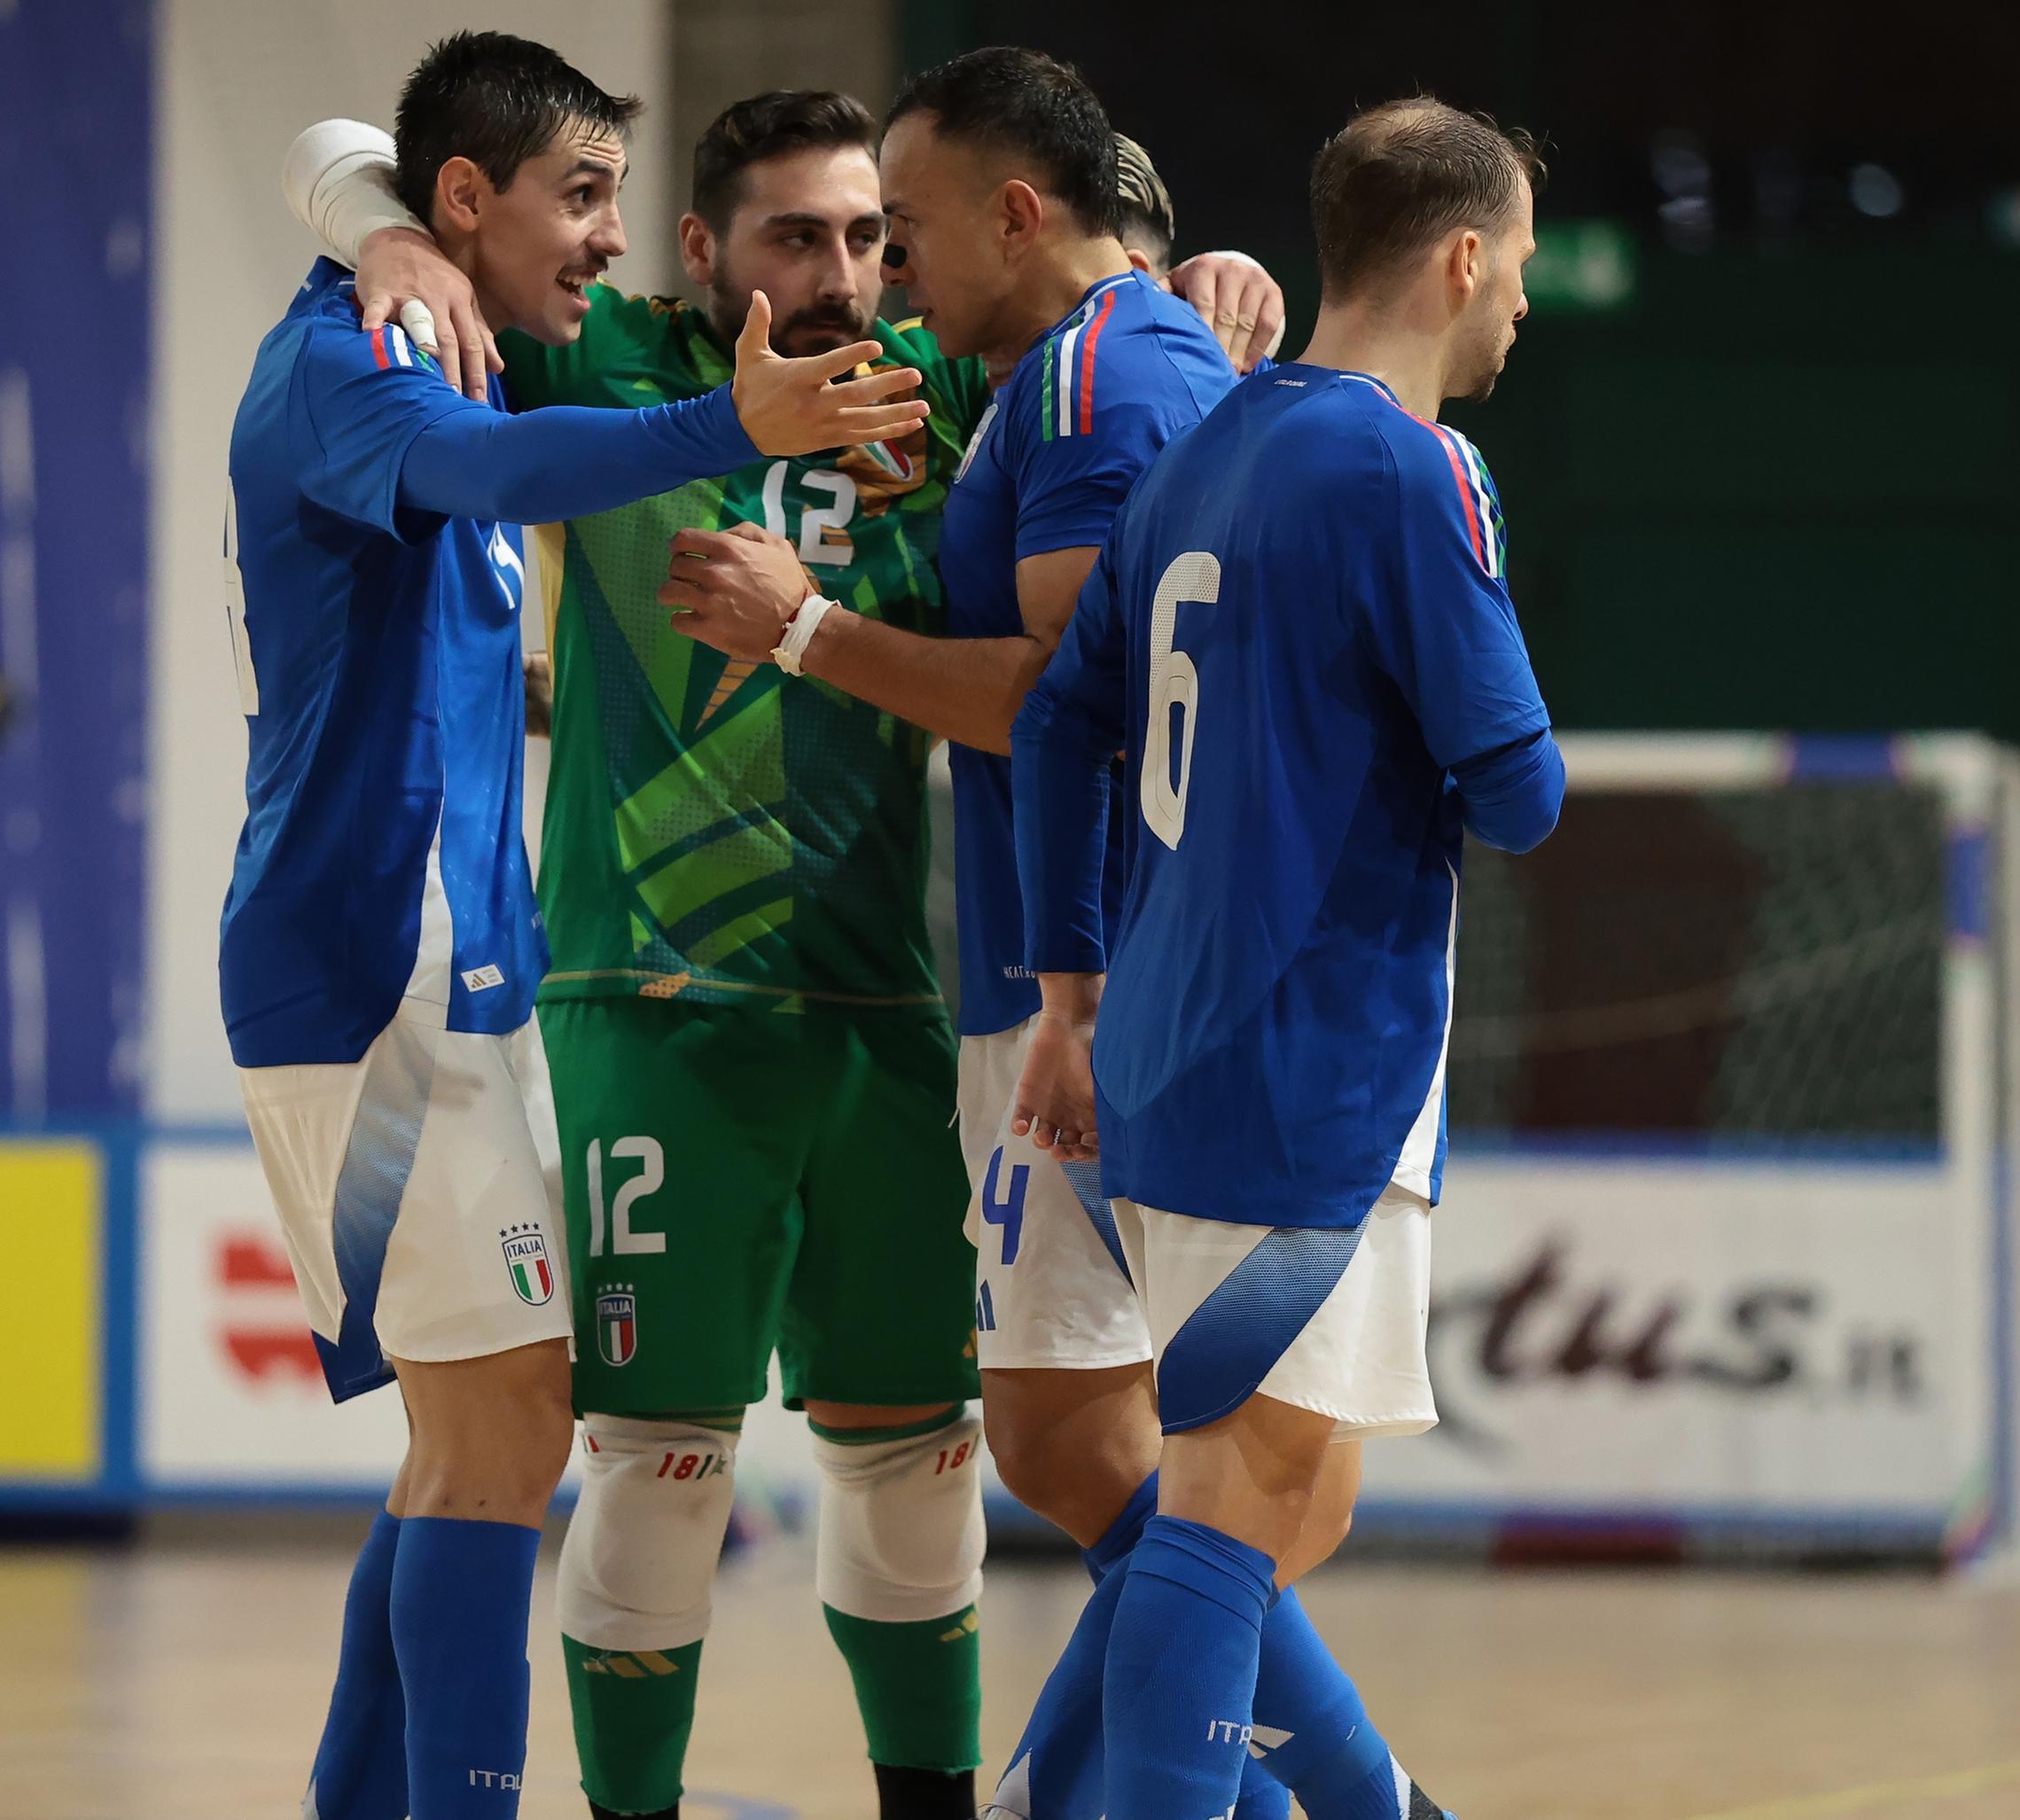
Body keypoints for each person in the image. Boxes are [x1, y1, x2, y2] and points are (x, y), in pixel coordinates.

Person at [274, 85, 1289, 1820]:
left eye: (871, 235)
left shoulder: (937, 389)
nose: (845, 271)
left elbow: (1088, 310)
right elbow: (347, 145)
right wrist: (375, 222)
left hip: (886, 1022)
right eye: (797, 236)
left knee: (923, 1473)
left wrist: (1215, 262)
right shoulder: (603, 362)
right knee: (656, 1479)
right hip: (653, 1015)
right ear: (697, 250)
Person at [658, 45, 1438, 1820]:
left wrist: (808, 636)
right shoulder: (1056, 368)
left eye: (910, 228)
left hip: (1113, 985)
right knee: (1085, 1447)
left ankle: (1301, 1800)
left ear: (1019, 212)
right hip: (1054, 973)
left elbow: (1074, 691)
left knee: (1214, 1482)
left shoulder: (1109, 369)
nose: (890, 275)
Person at [221, 34, 925, 1820]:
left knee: (473, 1436)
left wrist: (372, 212)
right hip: (368, 971)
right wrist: (728, 429)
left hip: (456, 976)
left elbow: (350, 151)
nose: (608, 239)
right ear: (466, 203)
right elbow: (513, 476)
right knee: (506, 1432)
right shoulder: (353, 356)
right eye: (586, 194)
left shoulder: (424, 320)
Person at [1003, 97, 1562, 1817]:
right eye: (1522, 266)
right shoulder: (1411, 464)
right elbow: (1520, 789)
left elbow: (1053, 733)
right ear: (1461, 255)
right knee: (1239, 1514)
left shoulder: (1201, 448)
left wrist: (1072, 996)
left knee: (1261, 1505)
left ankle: (1051, 1794)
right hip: (1305, 1053)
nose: (1523, 307)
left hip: (1168, 1048)